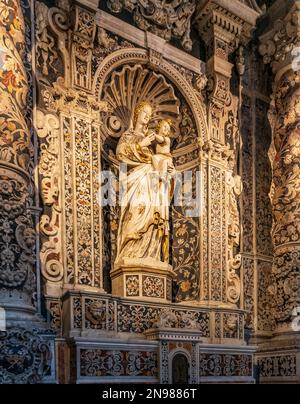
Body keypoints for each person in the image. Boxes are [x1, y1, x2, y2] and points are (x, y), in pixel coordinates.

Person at [115, 102, 173, 264]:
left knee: (153, 218)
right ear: (137, 115)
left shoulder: (152, 141)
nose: (147, 117)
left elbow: (159, 161)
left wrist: (167, 171)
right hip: (136, 181)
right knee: (135, 215)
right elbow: (120, 154)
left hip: (152, 184)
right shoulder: (129, 135)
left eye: (149, 114)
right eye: (144, 113)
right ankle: (130, 253)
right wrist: (141, 145)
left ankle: (150, 255)